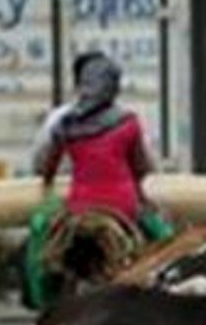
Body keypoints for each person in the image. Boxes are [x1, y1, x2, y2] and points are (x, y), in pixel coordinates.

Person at [25, 51, 167, 308]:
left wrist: (47, 186)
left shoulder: (65, 124)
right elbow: (142, 167)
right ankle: (164, 290)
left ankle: (44, 302)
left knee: (42, 241)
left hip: (79, 207)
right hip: (123, 206)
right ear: (113, 87)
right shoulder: (128, 122)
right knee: (162, 239)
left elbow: (46, 169)